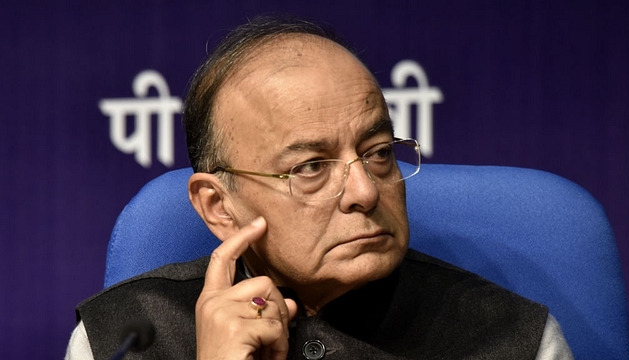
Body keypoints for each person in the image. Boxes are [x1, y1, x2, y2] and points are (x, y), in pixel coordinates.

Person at [66, 16, 573, 359]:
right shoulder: (124, 337)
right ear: (219, 207)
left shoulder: (515, 340)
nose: (365, 192)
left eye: (377, 153)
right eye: (310, 167)